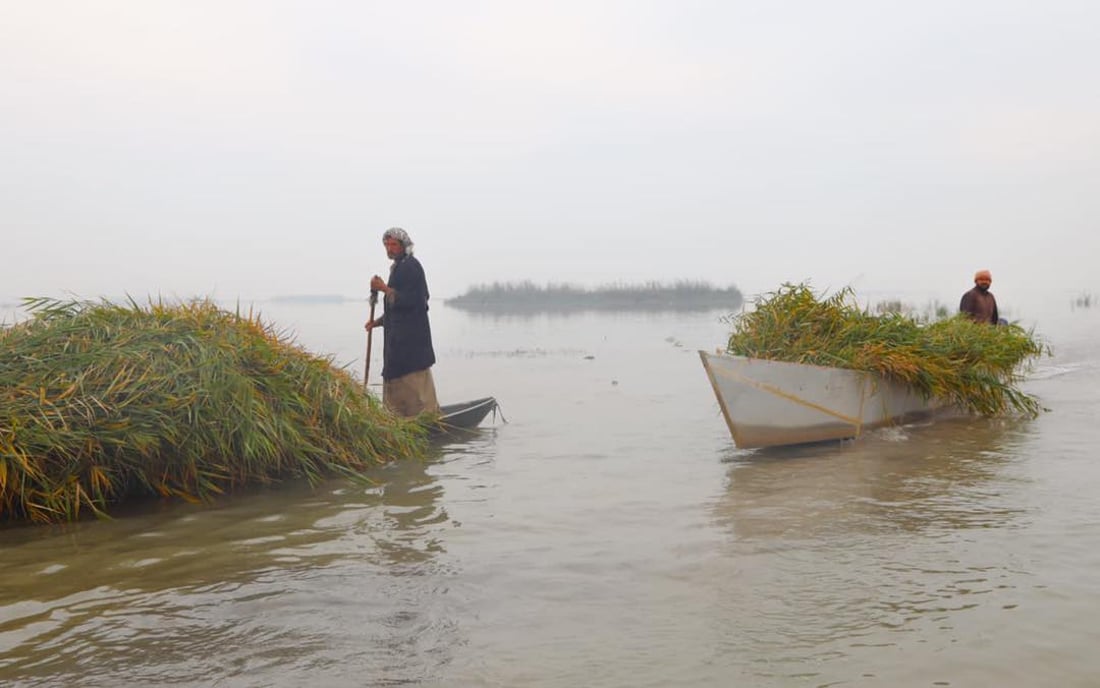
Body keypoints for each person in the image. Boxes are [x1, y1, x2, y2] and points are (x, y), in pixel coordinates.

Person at [364, 227, 440, 417]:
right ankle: (396, 423)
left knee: (417, 398)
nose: (390, 248)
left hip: (412, 348)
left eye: (394, 244)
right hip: (396, 349)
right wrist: (377, 323)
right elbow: (396, 310)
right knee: (395, 396)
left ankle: (425, 421)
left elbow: (416, 302)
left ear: (404, 246)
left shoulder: (411, 267)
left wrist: (384, 288)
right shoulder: (397, 268)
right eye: (387, 245)